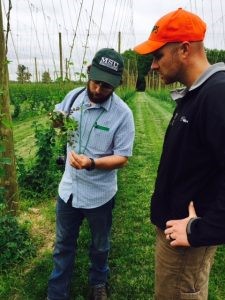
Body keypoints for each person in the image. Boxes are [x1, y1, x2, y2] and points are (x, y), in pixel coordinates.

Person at [134, 8, 225, 300]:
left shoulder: (217, 95)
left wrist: (201, 230)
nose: (153, 66)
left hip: (186, 245)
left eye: (158, 56)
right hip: (176, 238)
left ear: (184, 49)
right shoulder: (196, 94)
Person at [47, 48, 135, 300]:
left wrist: (92, 163)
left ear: (116, 85)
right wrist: (57, 122)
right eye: (95, 82)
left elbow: (123, 158)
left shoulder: (123, 115)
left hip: (99, 195)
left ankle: (98, 282)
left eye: (106, 86)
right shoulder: (73, 98)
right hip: (69, 191)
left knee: (100, 245)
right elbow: (58, 121)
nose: (97, 90)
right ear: (88, 73)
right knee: (63, 244)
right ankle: (57, 291)